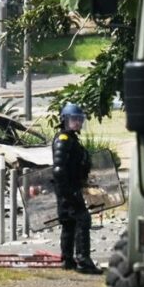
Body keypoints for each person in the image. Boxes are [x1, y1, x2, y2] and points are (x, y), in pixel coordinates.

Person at [53, 103, 101, 275]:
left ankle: (67, 260)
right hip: (68, 189)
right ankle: (83, 260)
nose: (78, 123)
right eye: (74, 119)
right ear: (65, 120)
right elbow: (59, 169)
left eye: (80, 120)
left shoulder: (71, 139)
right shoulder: (64, 139)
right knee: (82, 219)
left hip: (70, 188)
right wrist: (68, 191)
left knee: (69, 223)